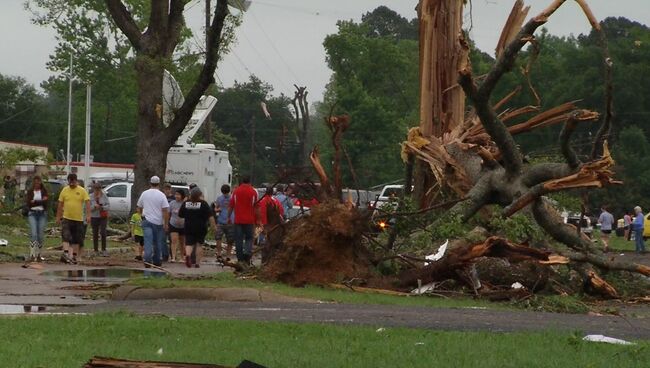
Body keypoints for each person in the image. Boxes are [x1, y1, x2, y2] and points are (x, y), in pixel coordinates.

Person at [55, 173, 91, 264]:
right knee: (66, 235)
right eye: (70, 182)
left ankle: (74, 256)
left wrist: (88, 215)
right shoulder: (65, 190)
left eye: (73, 181)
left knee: (76, 238)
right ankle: (66, 254)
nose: (71, 184)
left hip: (78, 218)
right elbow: (60, 204)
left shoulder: (82, 190)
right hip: (67, 217)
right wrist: (58, 217)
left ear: (76, 181)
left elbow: (87, 203)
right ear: (68, 181)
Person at [136, 176, 169, 267]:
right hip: (158, 222)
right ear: (159, 183)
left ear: (150, 183)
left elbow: (139, 206)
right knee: (157, 242)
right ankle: (157, 260)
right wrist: (166, 223)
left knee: (148, 241)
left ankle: (147, 259)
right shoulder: (162, 195)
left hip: (146, 220)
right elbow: (165, 210)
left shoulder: (144, 193)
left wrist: (142, 215)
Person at [179, 186, 216, 268]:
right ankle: (197, 263)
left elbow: (180, 214)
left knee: (189, 243)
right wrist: (213, 226)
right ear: (199, 195)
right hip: (201, 227)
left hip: (188, 226)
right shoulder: (203, 204)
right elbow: (210, 216)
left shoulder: (186, 203)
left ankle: (188, 255)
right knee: (199, 244)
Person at [228, 175, 259, 265]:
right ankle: (247, 253)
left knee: (238, 239)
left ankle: (240, 259)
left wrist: (228, 217)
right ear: (250, 182)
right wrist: (258, 220)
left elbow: (231, 206)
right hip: (250, 220)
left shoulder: (235, 191)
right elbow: (256, 207)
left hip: (238, 220)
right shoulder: (254, 192)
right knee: (249, 238)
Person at [25, 176, 48, 262]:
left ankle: (38, 254)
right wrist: (40, 201)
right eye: (35, 182)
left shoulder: (44, 191)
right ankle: (32, 254)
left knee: (40, 235)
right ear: (33, 183)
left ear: (40, 183)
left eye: (38, 182)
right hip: (32, 214)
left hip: (42, 214)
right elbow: (29, 203)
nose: (37, 184)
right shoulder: (30, 192)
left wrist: (35, 201)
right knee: (33, 233)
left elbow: (45, 201)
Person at [258, 186, 284, 263]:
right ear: (272, 192)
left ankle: (265, 261)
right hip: (276, 226)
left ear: (266, 192)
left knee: (265, 244)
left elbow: (262, 214)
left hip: (267, 225)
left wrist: (264, 226)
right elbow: (281, 211)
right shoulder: (275, 200)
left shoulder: (263, 201)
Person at [213, 184, 234, 258]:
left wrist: (219, 209)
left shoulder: (219, 198)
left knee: (219, 238)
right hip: (230, 221)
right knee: (230, 240)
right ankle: (228, 255)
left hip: (221, 221)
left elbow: (215, 209)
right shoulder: (233, 198)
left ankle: (219, 253)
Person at [90, 182, 110, 257]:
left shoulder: (104, 196)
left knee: (103, 232)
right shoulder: (90, 196)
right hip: (94, 216)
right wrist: (94, 207)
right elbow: (88, 208)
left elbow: (108, 206)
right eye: (96, 189)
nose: (97, 191)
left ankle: (104, 249)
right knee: (95, 233)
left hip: (103, 216)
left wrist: (102, 207)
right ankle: (95, 250)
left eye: (99, 189)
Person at [168, 189, 186, 262]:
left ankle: (182, 257)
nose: (177, 196)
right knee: (174, 241)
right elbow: (169, 213)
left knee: (182, 242)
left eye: (178, 194)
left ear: (182, 195)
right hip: (173, 224)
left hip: (183, 225)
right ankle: (173, 257)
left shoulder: (185, 204)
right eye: (176, 194)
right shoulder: (172, 203)